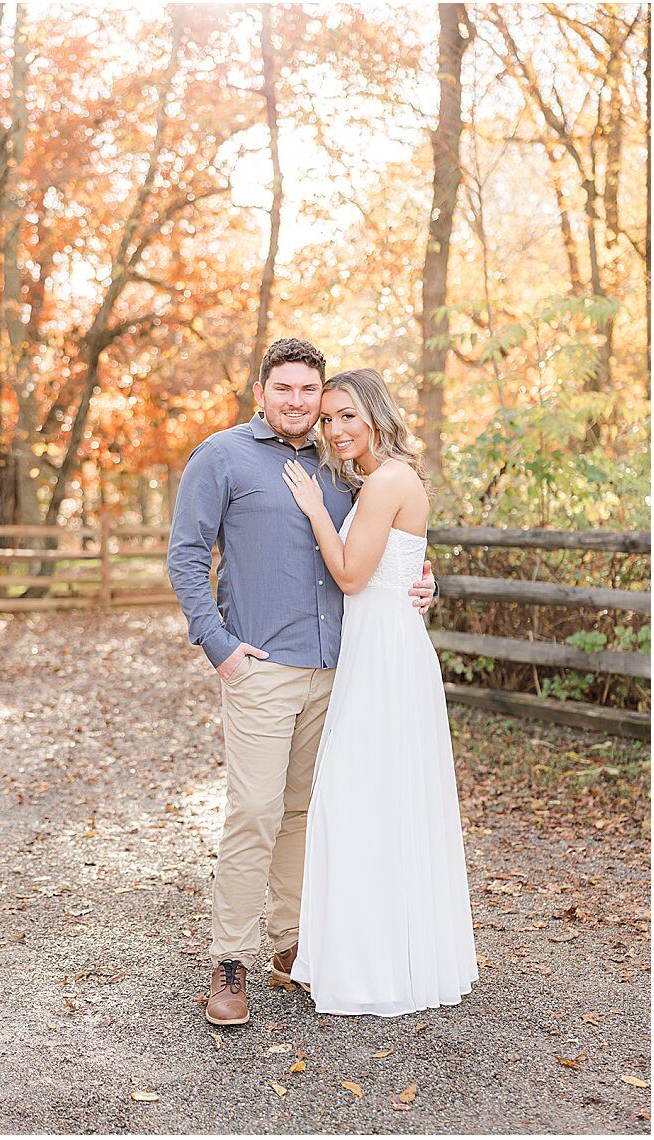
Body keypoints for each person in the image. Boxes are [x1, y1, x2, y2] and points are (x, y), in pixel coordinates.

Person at [166, 337, 436, 1027]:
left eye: (308, 392)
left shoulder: (340, 463)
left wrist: (421, 583)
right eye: (283, 389)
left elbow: (378, 550)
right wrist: (219, 646)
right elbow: (187, 557)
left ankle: (292, 945)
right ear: (261, 392)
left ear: (322, 398)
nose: (297, 402)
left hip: (341, 669)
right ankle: (230, 960)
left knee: (306, 814)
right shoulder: (221, 455)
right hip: (262, 667)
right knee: (254, 811)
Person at [281, 368, 477, 1016]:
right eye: (328, 418)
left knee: (361, 797)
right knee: (377, 797)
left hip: (386, 658)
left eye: (346, 416)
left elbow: (350, 572)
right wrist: (425, 582)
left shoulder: (388, 479)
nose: (335, 429)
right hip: (383, 645)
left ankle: (376, 966)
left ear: (374, 416)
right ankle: (380, 952)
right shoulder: (381, 479)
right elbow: (402, 566)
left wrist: (313, 511)